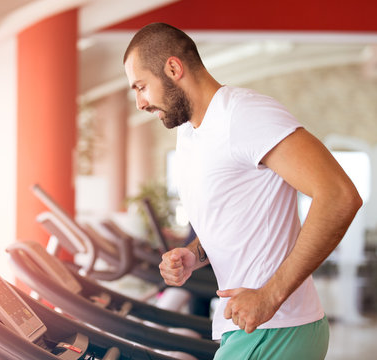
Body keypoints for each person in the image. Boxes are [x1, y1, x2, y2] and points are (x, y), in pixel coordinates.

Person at [123, 23, 362, 359]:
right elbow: (233, 218)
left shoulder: (243, 114)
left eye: (141, 86)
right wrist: (193, 255)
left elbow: (339, 196)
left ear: (174, 69)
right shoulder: (191, 134)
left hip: (277, 331)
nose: (139, 103)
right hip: (249, 329)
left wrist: (269, 296)